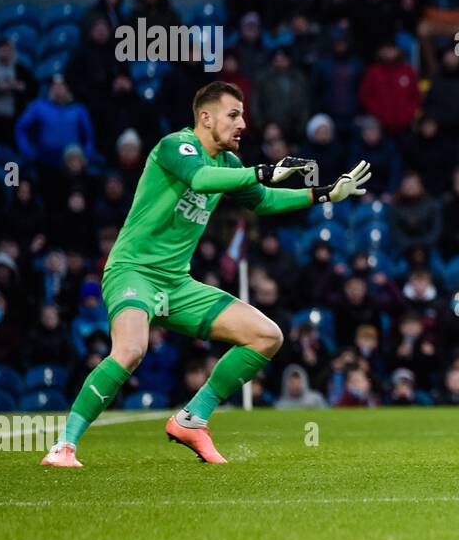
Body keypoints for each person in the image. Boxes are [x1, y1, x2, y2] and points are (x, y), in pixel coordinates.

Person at [39, 81, 372, 468]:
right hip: (134, 272)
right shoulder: (175, 146)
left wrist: (323, 194)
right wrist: (261, 170)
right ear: (205, 117)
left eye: (243, 115)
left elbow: (262, 202)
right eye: (233, 115)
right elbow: (199, 179)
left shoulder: (229, 163)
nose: (242, 123)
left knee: (266, 336)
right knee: (131, 349)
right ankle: (64, 446)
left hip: (177, 284)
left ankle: (191, 419)